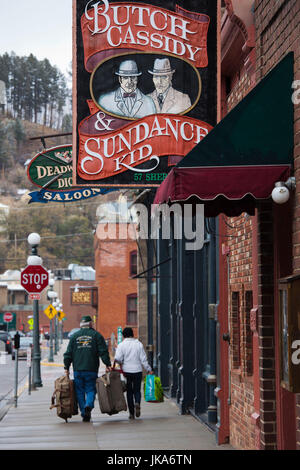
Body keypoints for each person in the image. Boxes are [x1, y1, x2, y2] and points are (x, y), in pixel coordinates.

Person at [63, 315, 111, 422]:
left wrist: (66, 367)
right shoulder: (96, 335)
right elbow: (103, 351)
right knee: (90, 389)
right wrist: (107, 364)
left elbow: (68, 354)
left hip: (78, 370)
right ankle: (88, 405)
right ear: (90, 324)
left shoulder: (74, 336)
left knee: (79, 391)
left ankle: (84, 413)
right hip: (91, 369)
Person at [114, 327, 153, 420]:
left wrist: (121, 363)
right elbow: (143, 359)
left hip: (127, 372)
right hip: (137, 371)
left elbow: (118, 358)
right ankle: (137, 403)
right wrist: (149, 369)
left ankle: (131, 413)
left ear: (123, 335)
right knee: (137, 390)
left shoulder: (121, 345)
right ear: (132, 334)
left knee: (129, 392)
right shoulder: (138, 344)